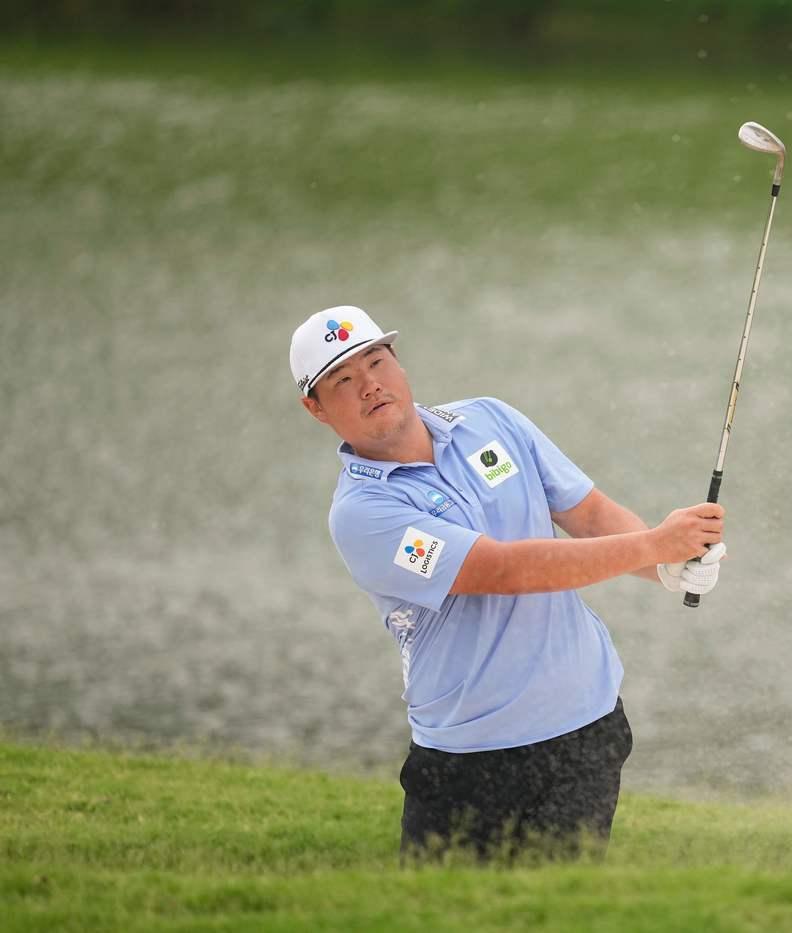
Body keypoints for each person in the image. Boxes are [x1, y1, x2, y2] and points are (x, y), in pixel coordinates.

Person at [289, 305, 727, 862]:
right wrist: (652, 547)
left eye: (376, 362)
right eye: (343, 380)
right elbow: (502, 571)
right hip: (471, 759)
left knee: (560, 914)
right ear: (316, 407)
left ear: (397, 361)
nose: (369, 385)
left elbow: (588, 514)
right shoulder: (363, 513)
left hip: (586, 729)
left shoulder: (490, 421)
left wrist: (668, 567)